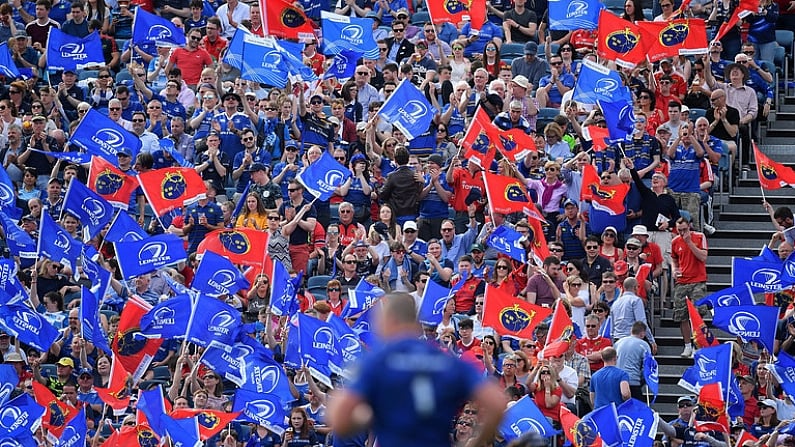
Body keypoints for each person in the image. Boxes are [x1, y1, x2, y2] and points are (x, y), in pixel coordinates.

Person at [327, 293, 506, 447]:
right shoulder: (445, 359)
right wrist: (475, 442)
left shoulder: (380, 361)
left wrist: (373, 416)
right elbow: (496, 403)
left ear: (390, 320)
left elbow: (339, 417)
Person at [671, 217, 708, 358]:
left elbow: (703, 257)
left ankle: (699, 344)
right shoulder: (675, 242)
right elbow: (674, 258)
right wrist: (675, 269)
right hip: (682, 281)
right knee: (682, 315)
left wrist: (689, 242)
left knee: (698, 313)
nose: (681, 233)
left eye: (684, 230)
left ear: (690, 226)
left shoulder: (699, 237)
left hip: (698, 280)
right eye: (679, 230)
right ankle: (687, 345)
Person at [614, 321, 652, 400]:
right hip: (633, 380)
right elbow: (648, 366)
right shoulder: (644, 345)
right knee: (635, 408)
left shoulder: (618, 342)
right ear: (642, 333)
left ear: (631, 331)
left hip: (616, 380)